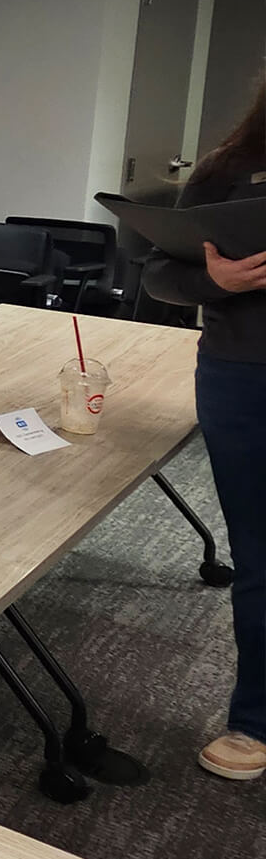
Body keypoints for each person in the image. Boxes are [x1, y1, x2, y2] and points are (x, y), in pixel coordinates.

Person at [145, 75, 266, 781]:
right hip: (241, 378)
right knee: (259, 556)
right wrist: (216, 282)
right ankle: (255, 720)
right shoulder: (226, 167)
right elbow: (161, 272)